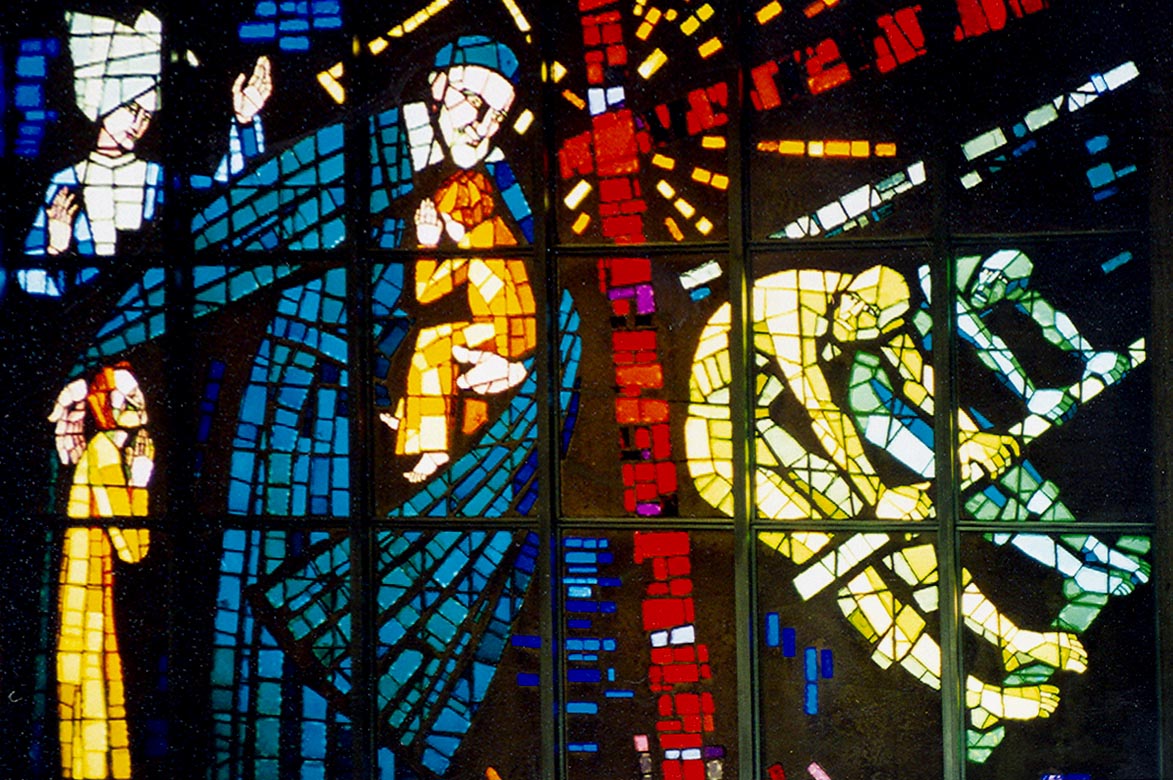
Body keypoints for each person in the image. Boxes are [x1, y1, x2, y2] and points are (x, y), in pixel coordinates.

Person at [687, 264, 1085, 731]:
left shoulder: (875, 307)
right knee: (849, 563)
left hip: (764, 432)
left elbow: (920, 379)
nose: (854, 316)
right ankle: (975, 697)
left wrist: (970, 436)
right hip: (720, 457)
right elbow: (822, 411)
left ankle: (1014, 638)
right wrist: (877, 501)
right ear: (845, 291)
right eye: (853, 303)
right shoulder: (789, 304)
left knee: (909, 542)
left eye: (870, 315)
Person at [370, 36, 536, 482]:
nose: (483, 126)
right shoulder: (375, 146)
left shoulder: (491, 222)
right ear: (438, 86)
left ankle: (431, 449)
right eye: (474, 101)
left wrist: (428, 243)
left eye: (497, 116)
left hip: (506, 339)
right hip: (493, 334)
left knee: (433, 346)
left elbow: (427, 292)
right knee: (431, 345)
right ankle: (413, 424)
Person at [24, 9, 271, 261]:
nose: (138, 123)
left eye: (147, 115)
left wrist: (245, 121)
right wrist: (55, 248)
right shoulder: (65, 182)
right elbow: (28, 275)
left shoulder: (158, 177)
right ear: (104, 103)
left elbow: (225, 194)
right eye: (131, 108)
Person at [48, 363, 154, 780]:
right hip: (89, 604)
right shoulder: (105, 452)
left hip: (93, 594)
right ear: (103, 405)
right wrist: (140, 484)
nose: (135, 403)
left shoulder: (107, 449)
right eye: (122, 396)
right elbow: (133, 548)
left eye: (136, 393)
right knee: (94, 699)